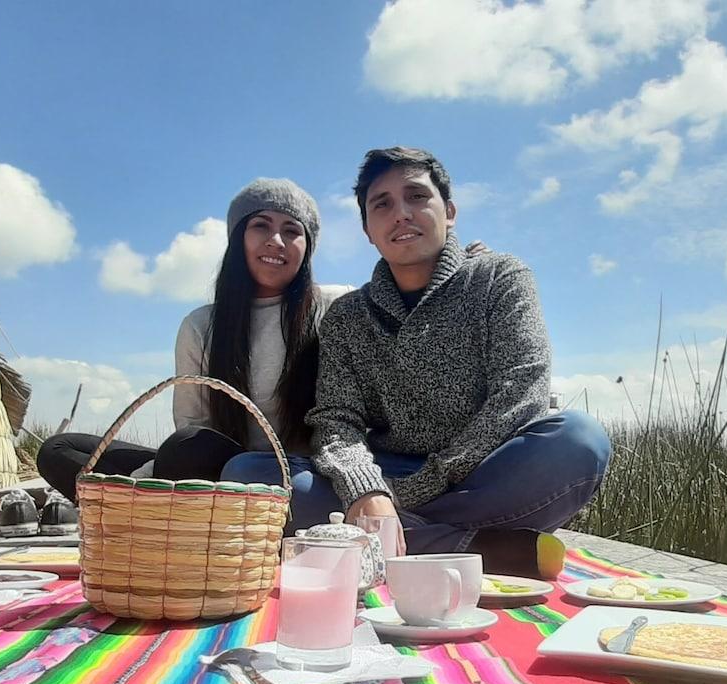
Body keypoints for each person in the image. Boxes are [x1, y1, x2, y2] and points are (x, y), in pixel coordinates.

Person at [222, 147, 612, 579]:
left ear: (448, 211)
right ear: (368, 229)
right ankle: (475, 549)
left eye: (416, 197)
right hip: (383, 473)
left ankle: (390, 544)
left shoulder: (499, 278)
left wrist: (411, 491)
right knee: (247, 476)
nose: (401, 214)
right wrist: (365, 490)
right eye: (382, 204)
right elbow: (336, 421)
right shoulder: (348, 316)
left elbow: (521, 395)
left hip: (481, 473)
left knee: (580, 441)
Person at [35, 179, 352, 499]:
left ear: (308, 246)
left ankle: (136, 501)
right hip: (221, 467)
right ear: (237, 236)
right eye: (261, 225)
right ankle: (147, 497)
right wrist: (160, 469)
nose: (276, 241)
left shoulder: (336, 307)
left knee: (186, 455)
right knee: (58, 449)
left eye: (292, 231)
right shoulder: (201, 325)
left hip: (301, 472)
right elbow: (195, 426)